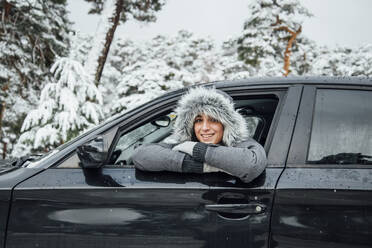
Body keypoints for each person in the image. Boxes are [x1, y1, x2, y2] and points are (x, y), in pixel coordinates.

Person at [132, 87, 267, 183]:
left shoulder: (241, 144)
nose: (204, 128)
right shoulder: (183, 144)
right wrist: (195, 164)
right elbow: (141, 156)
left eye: (213, 120)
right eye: (198, 120)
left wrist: (196, 149)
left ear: (226, 124)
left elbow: (251, 165)